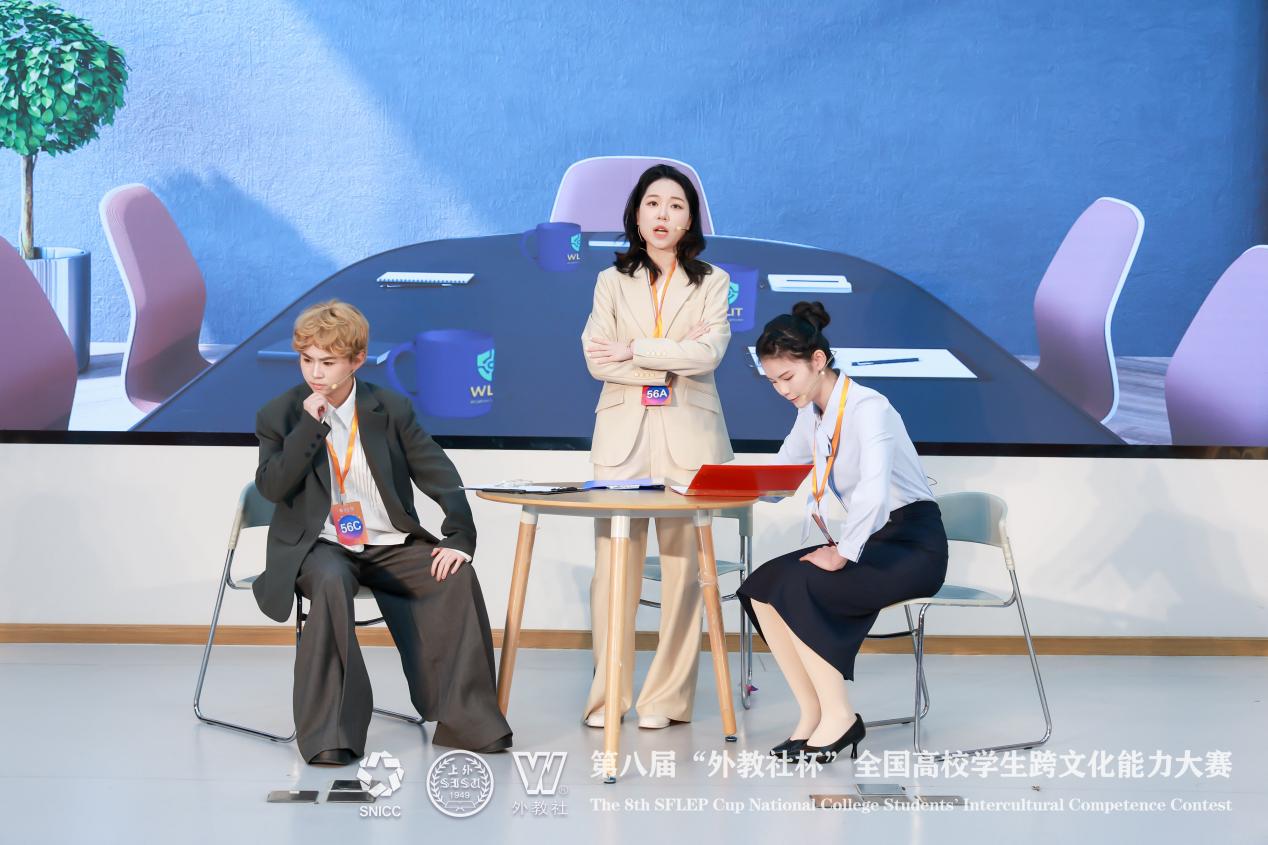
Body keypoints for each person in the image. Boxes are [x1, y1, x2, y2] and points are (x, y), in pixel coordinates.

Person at [252, 299, 512, 766]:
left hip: (388, 543)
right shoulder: (280, 414)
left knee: (453, 576)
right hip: (320, 546)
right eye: (307, 360)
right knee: (331, 581)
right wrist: (309, 428)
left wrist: (458, 537)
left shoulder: (389, 408)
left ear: (356, 360)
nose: (315, 373)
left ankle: (467, 721)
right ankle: (331, 733)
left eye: (328, 362)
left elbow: (438, 472)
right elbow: (272, 487)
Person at [736, 301, 948, 763]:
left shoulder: (869, 407)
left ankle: (840, 717)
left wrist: (843, 552)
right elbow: (784, 472)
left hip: (913, 544)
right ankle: (812, 713)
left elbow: (874, 488)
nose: (781, 390)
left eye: (787, 377)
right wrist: (723, 485)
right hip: (875, 540)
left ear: (818, 360)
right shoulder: (811, 412)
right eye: (772, 382)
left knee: (803, 583)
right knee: (761, 586)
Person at [580, 164, 733, 729]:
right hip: (622, 439)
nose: (663, 214)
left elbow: (709, 353)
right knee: (612, 572)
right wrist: (668, 354)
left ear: (690, 219)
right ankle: (608, 698)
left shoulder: (712, 281)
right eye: (652, 203)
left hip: (691, 440)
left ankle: (666, 700)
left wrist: (635, 349)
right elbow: (596, 357)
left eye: (675, 205)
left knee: (683, 573)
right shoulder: (610, 281)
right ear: (636, 215)